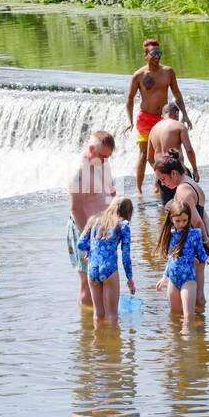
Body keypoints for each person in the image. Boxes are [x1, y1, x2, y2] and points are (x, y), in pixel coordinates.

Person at [127, 38, 191, 195]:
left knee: (166, 153)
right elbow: (129, 99)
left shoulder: (168, 72)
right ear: (145, 55)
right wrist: (129, 121)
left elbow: (177, 94)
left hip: (163, 119)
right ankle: (139, 190)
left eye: (159, 53)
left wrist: (185, 114)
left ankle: (158, 184)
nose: (157, 57)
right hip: (145, 118)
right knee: (143, 155)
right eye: (154, 53)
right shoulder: (139, 75)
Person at [154, 152, 209, 304]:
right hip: (197, 244)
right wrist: (208, 237)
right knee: (197, 292)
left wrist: (206, 239)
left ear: (174, 173)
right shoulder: (191, 183)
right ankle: (199, 323)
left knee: (193, 295)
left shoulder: (182, 191)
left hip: (190, 246)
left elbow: (196, 221)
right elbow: (204, 215)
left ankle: (193, 325)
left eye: (163, 179)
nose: (163, 184)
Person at [68, 131, 117, 307]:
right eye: (102, 156)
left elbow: (111, 191)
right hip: (85, 232)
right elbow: (76, 208)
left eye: (108, 157)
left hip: (104, 230)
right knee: (88, 282)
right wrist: (87, 239)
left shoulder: (102, 163)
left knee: (105, 277)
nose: (105, 160)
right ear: (91, 148)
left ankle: (103, 324)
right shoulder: (80, 172)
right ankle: (89, 328)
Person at [77, 196, 136, 325]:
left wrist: (90, 249)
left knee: (98, 314)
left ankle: (98, 343)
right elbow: (126, 256)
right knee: (112, 315)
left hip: (92, 270)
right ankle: (112, 344)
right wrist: (130, 279)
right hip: (109, 269)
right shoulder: (123, 225)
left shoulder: (94, 220)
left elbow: (80, 244)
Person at [155, 199, 209, 322]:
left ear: (189, 219)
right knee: (174, 315)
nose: (181, 224)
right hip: (173, 280)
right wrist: (164, 277)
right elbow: (170, 258)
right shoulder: (170, 235)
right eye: (178, 221)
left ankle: (188, 338)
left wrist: (207, 258)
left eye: (185, 220)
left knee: (188, 316)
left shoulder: (194, 234)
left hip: (188, 279)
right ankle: (176, 340)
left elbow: (201, 253)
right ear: (171, 219)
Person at [147, 103, 199, 201]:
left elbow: (149, 158)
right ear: (176, 113)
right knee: (186, 206)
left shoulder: (153, 130)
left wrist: (160, 172)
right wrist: (195, 170)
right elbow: (189, 150)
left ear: (163, 115)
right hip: (178, 173)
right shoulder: (179, 126)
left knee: (167, 210)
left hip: (162, 177)